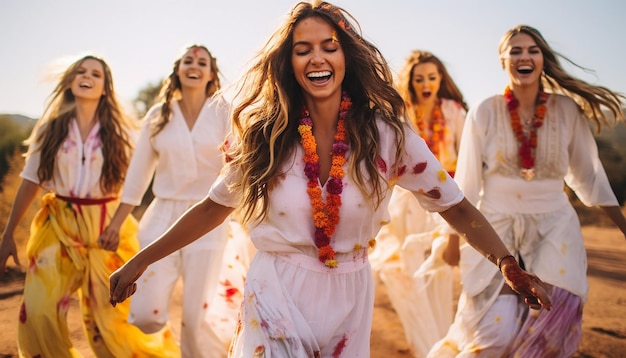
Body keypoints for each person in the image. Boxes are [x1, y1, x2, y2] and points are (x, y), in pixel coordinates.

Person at [109, 3, 552, 357]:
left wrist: (504, 261)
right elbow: (212, 207)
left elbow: (453, 204)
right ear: (288, 62)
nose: (316, 57)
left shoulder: (389, 136)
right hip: (275, 286)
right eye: (302, 49)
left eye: (329, 45)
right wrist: (139, 261)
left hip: (349, 291)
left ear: (347, 56)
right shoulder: (266, 135)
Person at [428, 25, 626, 357]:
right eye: (515, 51)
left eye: (532, 50)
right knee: (496, 336)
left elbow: (590, 177)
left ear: (542, 59)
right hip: (496, 228)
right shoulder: (485, 111)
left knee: (550, 331)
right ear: (503, 60)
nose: (524, 57)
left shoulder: (566, 111)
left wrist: (622, 226)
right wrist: (449, 239)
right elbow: (466, 182)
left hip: (555, 229)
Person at [0, 55, 179, 357]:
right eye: (80, 71)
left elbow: (134, 184)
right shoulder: (49, 130)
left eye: (96, 74)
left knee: (111, 320)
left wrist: (117, 223)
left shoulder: (123, 133)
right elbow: (31, 180)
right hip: (58, 223)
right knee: (39, 310)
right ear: (70, 82)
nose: (87, 76)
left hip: (108, 224)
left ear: (106, 88)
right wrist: (7, 236)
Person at [99, 44, 246, 358]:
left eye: (202, 62)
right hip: (162, 214)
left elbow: (238, 164)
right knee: (146, 316)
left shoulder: (223, 110)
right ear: (178, 70)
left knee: (197, 318)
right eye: (188, 61)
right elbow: (138, 176)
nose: (194, 65)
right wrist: (116, 222)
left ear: (211, 73)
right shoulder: (158, 114)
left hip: (208, 217)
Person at [370, 50, 468, 357]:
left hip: (443, 202)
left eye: (432, 77)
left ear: (441, 80)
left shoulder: (453, 112)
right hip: (404, 205)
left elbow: (466, 160)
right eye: (419, 78)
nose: (426, 83)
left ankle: (438, 344)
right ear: (411, 81)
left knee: (436, 276)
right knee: (403, 275)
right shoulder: (399, 113)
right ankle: (422, 342)